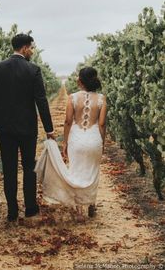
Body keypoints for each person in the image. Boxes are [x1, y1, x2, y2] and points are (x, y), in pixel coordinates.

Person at [0, 34, 54, 222]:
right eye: (31, 48)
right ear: (24, 48)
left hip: (4, 128)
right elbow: (41, 101)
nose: (32, 51)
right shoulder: (33, 70)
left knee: (9, 168)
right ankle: (30, 208)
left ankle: (12, 211)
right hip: (27, 128)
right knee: (29, 166)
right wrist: (49, 128)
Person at [35, 67, 107, 220]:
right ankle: (91, 204)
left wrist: (65, 143)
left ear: (80, 81)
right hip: (94, 139)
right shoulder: (101, 99)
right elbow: (101, 124)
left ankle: (79, 210)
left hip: (77, 139)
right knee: (92, 171)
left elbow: (68, 121)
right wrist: (102, 141)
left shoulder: (72, 98)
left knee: (76, 171)